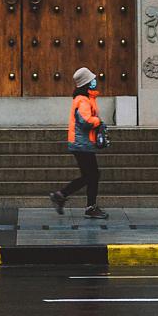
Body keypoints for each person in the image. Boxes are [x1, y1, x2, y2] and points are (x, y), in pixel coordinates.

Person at [49, 67, 107, 220]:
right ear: (87, 83)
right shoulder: (83, 100)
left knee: (91, 175)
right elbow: (85, 121)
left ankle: (65, 197)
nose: (95, 82)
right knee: (92, 175)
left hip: (83, 144)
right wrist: (98, 121)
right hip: (82, 144)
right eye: (92, 80)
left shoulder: (85, 99)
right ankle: (67, 197)